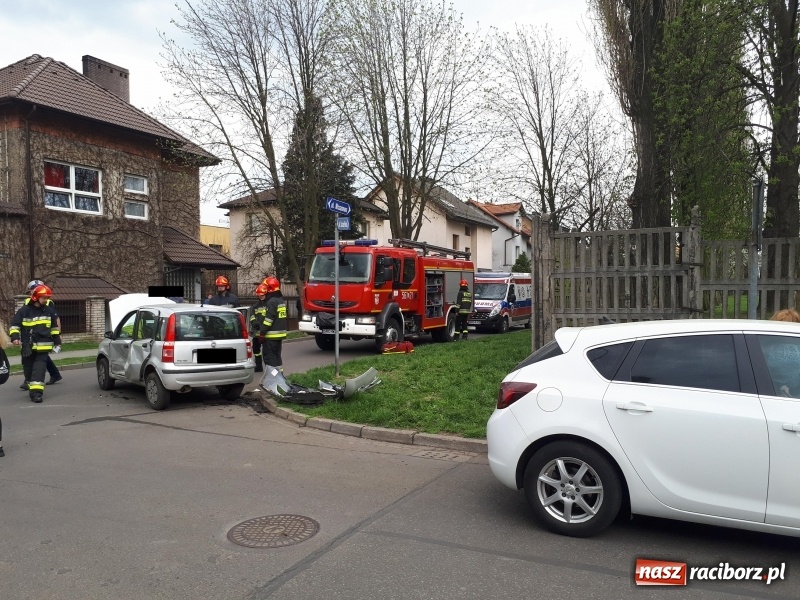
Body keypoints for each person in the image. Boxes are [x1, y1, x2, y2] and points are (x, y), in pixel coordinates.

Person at [9, 284, 62, 403]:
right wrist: (15, 337)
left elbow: (53, 328)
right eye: (44, 298)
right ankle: (31, 386)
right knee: (28, 370)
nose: (46, 300)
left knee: (39, 370)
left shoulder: (48, 311)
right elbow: (15, 325)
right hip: (28, 346)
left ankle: (36, 394)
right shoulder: (24, 311)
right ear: (36, 297)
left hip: (43, 347)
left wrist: (57, 341)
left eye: (47, 298)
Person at [19, 279, 62, 389]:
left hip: (43, 336)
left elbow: (54, 319)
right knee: (40, 358)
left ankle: (30, 380)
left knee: (40, 359)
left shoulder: (48, 302)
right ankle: (54, 374)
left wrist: (57, 336)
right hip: (31, 337)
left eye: (33, 289)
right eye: (32, 289)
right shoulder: (28, 303)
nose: (32, 291)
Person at [257, 277, 287, 370]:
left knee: (269, 358)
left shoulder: (271, 302)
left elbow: (268, 320)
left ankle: (272, 379)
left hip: (270, 336)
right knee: (277, 357)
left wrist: (262, 333)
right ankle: (279, 376)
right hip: (279, 335)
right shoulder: (280, 300)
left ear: (269, 289)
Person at [250, 283, 270, 373]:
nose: (261, 297)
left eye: (262, 295)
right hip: (257, 332)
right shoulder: (255, 305)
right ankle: (258, 366)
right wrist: (254, 323)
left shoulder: (269, 304)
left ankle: (268, 368)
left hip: (266, 331)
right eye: (259, 295)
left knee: (267, 351)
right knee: (256, 349)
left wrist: (261, 324)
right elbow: (252, 315)